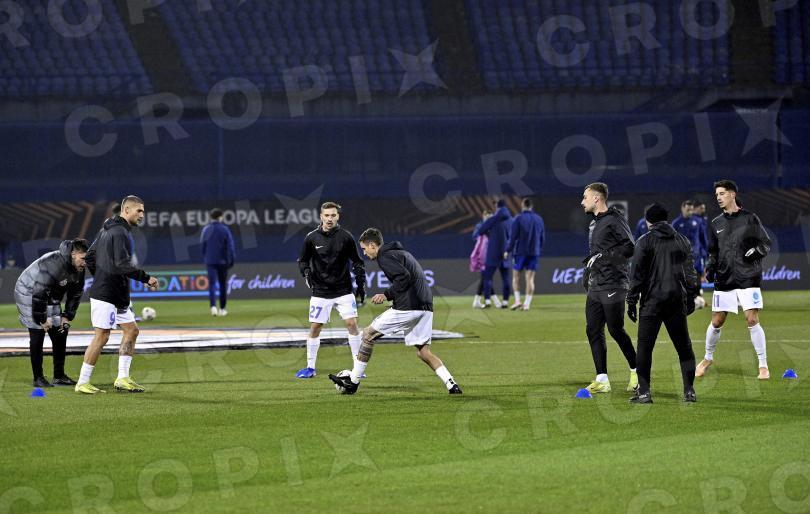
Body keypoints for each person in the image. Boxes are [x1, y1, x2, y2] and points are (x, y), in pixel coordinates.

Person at [329, 228, 461, 395]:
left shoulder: (384, 256)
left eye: (364, 248)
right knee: (423, 351)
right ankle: (451, 384)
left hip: (409, 306)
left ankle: (353, 382)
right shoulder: (401, 253)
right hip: (425, 307)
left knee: (368, 335)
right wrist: (397, 301)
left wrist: (386, 294)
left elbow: (403, 277)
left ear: (372, 245)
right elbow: (410, 280)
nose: (364, 253)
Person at [77, 196, 158, 394]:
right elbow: (122, 264)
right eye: (139, 211)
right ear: (126, 210)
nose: (142, 215)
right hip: (106, 293)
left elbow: (90, 257)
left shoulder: (107, 229)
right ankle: (83, 382)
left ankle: (122, 378)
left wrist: (101, 275)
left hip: (116, 292)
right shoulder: (120, 232)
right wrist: (146, 278)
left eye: (143, 211)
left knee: (132, 330)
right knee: (102, 336)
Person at [697, 180, 772, 380]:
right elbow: (713, 252)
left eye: (722, 193)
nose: (718, 198)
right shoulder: (716, 223)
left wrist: (756, 252)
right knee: (716, 321)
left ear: (732, 194)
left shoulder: (750, 218)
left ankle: (763, 365)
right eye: (716, 195)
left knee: (752, 319)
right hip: (725, 279)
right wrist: (710, 268)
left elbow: (765, 243)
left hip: (748, 277)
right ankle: (707, 358)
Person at [626, 204, 699, 404]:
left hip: (652, 301)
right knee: (684, 347)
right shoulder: (682, 240)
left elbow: (637, 274)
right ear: (666, 219)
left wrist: (631, 300)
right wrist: (691, 296)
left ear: (648, 220)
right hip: (676, 301)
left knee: (645, 348)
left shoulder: (644, 241)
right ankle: (689, 391)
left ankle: (644, 393)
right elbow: (690, 272)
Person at [295, 202, 366, 379]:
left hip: (343, 290)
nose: (329, 219)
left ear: (338, 217)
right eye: (326, 215)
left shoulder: (346, 237)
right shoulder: (311, 238)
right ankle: (310, 367)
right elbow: (302, 260)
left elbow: (357, 261)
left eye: (333, 215)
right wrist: (306, 272)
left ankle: (358, 368)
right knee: (315, 327)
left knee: (352, 325)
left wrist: (361, 283)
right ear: (321, 217)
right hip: (320, 291)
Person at [580, 182, 638, 393]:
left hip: (614, 282)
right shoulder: (594, 223)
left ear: (597, 198)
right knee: (592, 330)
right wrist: (588, 273)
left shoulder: (615, 219)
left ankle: (637, 371)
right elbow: (595, 255)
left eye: (585, 197)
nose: (582, 202)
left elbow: (629, 247)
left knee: (615, 329)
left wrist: (605, 256)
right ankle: (602, 379)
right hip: (596, 285)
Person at [14, 239, 88, 387]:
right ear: (73, 254)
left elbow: (76, 294)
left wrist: (67, 316)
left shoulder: (79, 268)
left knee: (60, 332)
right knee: (38, 332)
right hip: (28, 291)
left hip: (48, 293)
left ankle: (59, 376)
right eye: (83, 258)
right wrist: (42, 319)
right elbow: (39, 292)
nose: (85, 263)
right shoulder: (54, 264)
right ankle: (38, 378)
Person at [505, 198, 545, 311]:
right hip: (534, 253)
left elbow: (512, 237)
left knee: (516, 277)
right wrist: (538, 249)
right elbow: (542, 238)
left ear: (522, 205)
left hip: (520, 252)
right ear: (531, 206)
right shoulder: (539, 219)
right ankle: (526, 304)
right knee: (530, 279)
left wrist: (507, 250)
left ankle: (518, 301)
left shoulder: (518, 218)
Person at [473, 199, 512, 308]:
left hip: (493, 252)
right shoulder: (511, 220)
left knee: (487, 277)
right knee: (506, 278)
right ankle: (505, 302)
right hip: (505, 252)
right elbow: (513, 236)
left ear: (497, 207)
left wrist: (490, 235)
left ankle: (488, 301)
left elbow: (481, 230)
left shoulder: (494, 219)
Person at [201, 208, 236, 316]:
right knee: (222, 285)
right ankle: (222, 309)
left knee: (211, 284)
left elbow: (203, 246)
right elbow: (231, 246)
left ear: (211, 217)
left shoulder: (206, 229)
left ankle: (213, 307)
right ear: (220, 217)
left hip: (210, 261)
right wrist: (231, 260)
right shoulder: (225, 229)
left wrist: (206, 257)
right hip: (223, 261)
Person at [671, 200, 705, 293]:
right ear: (682, 209)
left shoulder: (698, 221)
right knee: (682, 279)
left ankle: (698, 295)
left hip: (696, 256)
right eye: (688, 210)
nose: (690, 212)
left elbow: (703, 238)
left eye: (691, 210)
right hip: (682, 257)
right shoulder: (676, 223)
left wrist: (704, 251)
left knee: (697, 277)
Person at [470, 209, 492, 309]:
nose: (488, 217)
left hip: (490, 254)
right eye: (486, 215)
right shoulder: (480, 226)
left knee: (486, 278)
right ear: (483, 216)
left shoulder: (493, 225)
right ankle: (478, 301)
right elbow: (475, 236)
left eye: (489, 215)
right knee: (485, 277)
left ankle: (480, 300)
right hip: (482, 255)